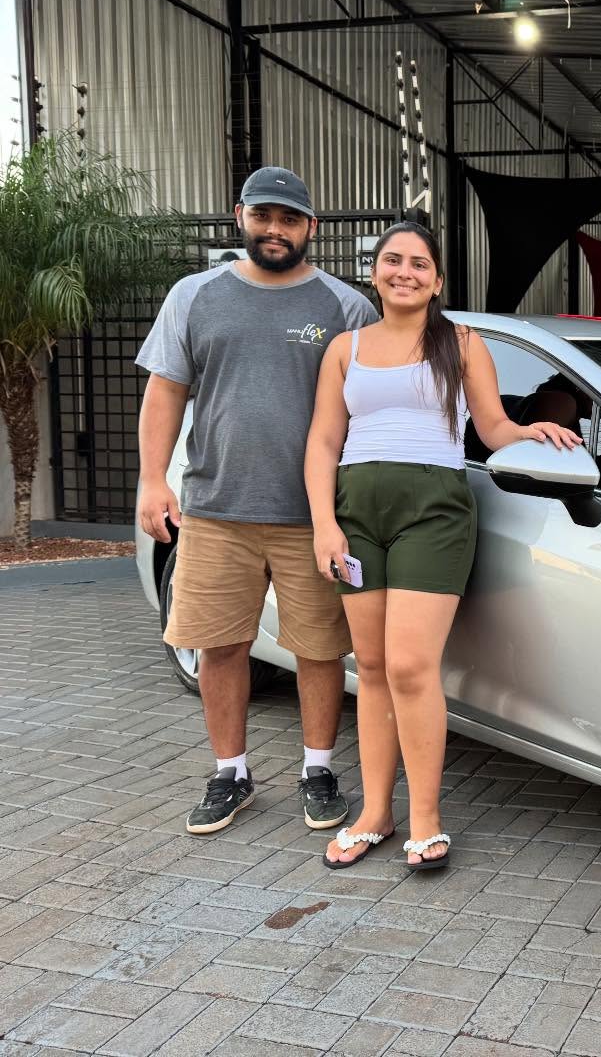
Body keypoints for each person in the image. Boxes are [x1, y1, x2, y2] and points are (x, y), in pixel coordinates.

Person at [304, 220, 580, 871]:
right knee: (371, 666)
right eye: (392, 260)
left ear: (437, 282)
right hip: (356, 513)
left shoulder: (461, 343)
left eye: (419, 264)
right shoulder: (345, 348)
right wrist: (324, 524)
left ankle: (425, 817)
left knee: (409, 666)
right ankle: (376, 812)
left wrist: (534, 431)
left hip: (434, 513)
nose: (404, 271)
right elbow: (323, 440)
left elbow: (493, 426)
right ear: (374, 272)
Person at [135, 167, 379, 836]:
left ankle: (318, 771)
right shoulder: (194, 296)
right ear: (240, 215)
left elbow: (371, 406)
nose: (276, 230)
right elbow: (165, 392)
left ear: (311, 228)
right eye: (264, 216)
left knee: (319, 650)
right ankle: (231, 774)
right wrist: (152, 480)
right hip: (216, 510)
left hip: (313, 518)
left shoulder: (346, 307)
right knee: (220, 646)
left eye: (290, 219)